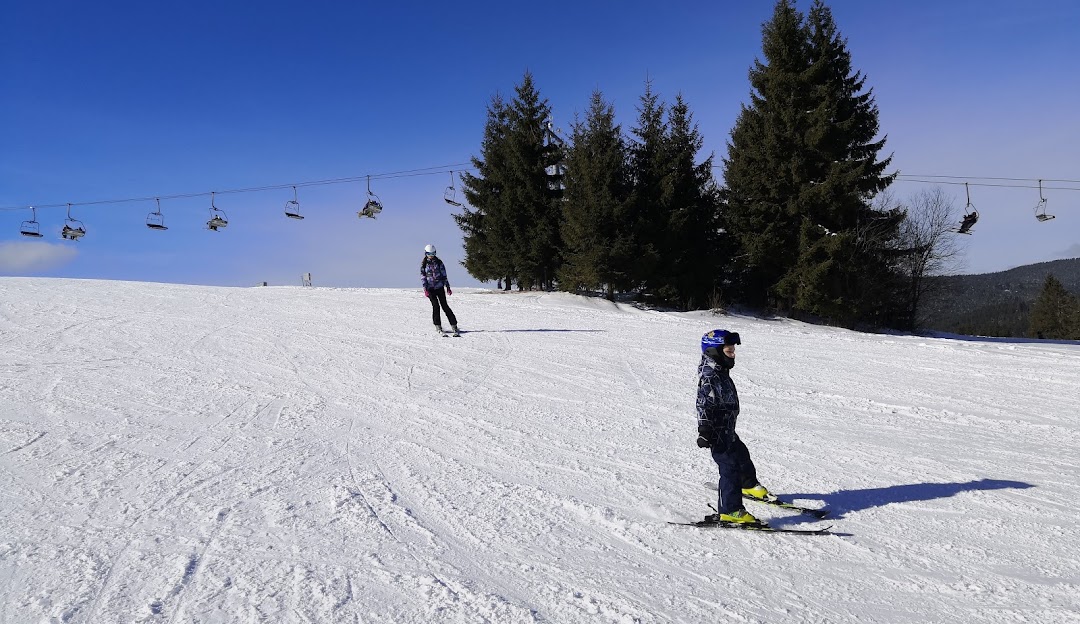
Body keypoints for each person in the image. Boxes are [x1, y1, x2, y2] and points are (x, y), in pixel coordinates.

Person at [696, 329, 775, 524]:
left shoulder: (721, 372)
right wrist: (705, 430)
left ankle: (747, 484)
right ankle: (730, 510)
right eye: (729, 351)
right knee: (729, 467)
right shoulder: (709, 377)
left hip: (728, 428)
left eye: (733, 351)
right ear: (715, 352)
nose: (733, 355)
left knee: (741, 454)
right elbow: (703, 403)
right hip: (716, 431)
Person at [420, 244, 459, 335]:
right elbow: (423, 277)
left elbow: (444, 275)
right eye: (429, 253)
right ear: (426, 253)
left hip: (439, 287)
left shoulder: (439, 262)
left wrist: (448, 287)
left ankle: (454, 325)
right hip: (430, 289)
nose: (431, 255)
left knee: (445, 306)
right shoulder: (424, 264)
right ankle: (438, 325)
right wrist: (425, 289)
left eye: (433, 253)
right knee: (436, 306)